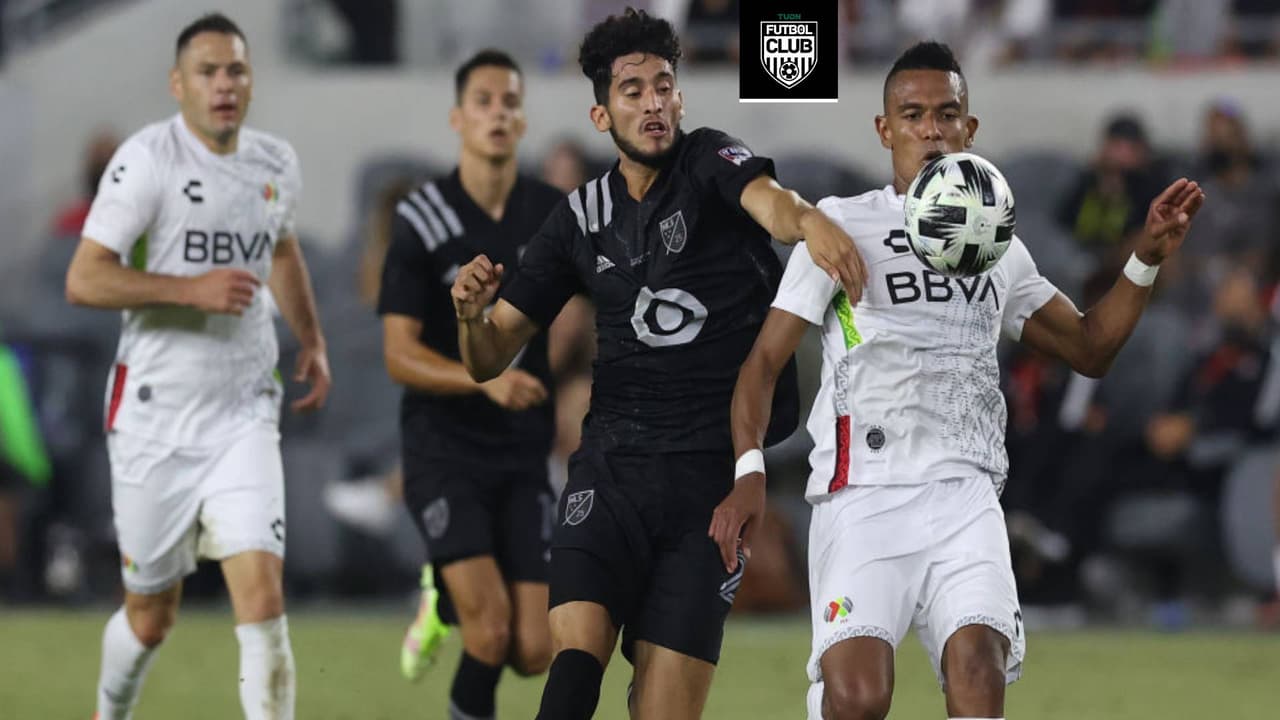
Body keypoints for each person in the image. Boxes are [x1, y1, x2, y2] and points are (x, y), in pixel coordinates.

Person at [713, 41, 1205, 720]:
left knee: (977, 678)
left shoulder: (994, 240)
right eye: (912, 115)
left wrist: (1143, 259)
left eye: (947, 114)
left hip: (964, 495)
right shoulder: (841, 225)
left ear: (969, 129)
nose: (931, 130)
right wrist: (748, 471)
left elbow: (1089, 348)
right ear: (885, 129)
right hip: (864, 495)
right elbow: (762, 365)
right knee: (858, 699)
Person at [449, 8, 865, 719]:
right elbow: (488, 358)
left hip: (708, 489)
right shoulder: (579, 219)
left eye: (664, 87)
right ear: (601, 114)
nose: (654, 103)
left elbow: (772, 204)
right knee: (573, 667)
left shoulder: (708, 162)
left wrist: (810, 221)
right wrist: (469, 317)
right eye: (633, 90)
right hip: (610, 474)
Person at [64, 14, 329, 720]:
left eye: (235, 69)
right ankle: (109, 712)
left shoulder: (275, 162)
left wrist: (311, 338)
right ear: (178, 85)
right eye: (207, 72)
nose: (223, 84)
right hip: (156, 416)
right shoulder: (147, 160)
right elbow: (84, 278)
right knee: (151, 618)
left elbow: (281, 248)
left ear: (251, 81)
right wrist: (190, 290)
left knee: (263, 601)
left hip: (244, 408)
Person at [378, 50, 565, 719]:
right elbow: (398, 355)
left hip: (522, 451)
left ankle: (444, 595)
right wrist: (482, 381)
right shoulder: (423, 218)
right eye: (483, 101)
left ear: (523, 119)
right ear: (458, 118)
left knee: (534, 648)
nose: (498, 113)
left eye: (510, 102)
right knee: (488, 634)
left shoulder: (552, 213)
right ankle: (451, 594)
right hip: (444, 449)